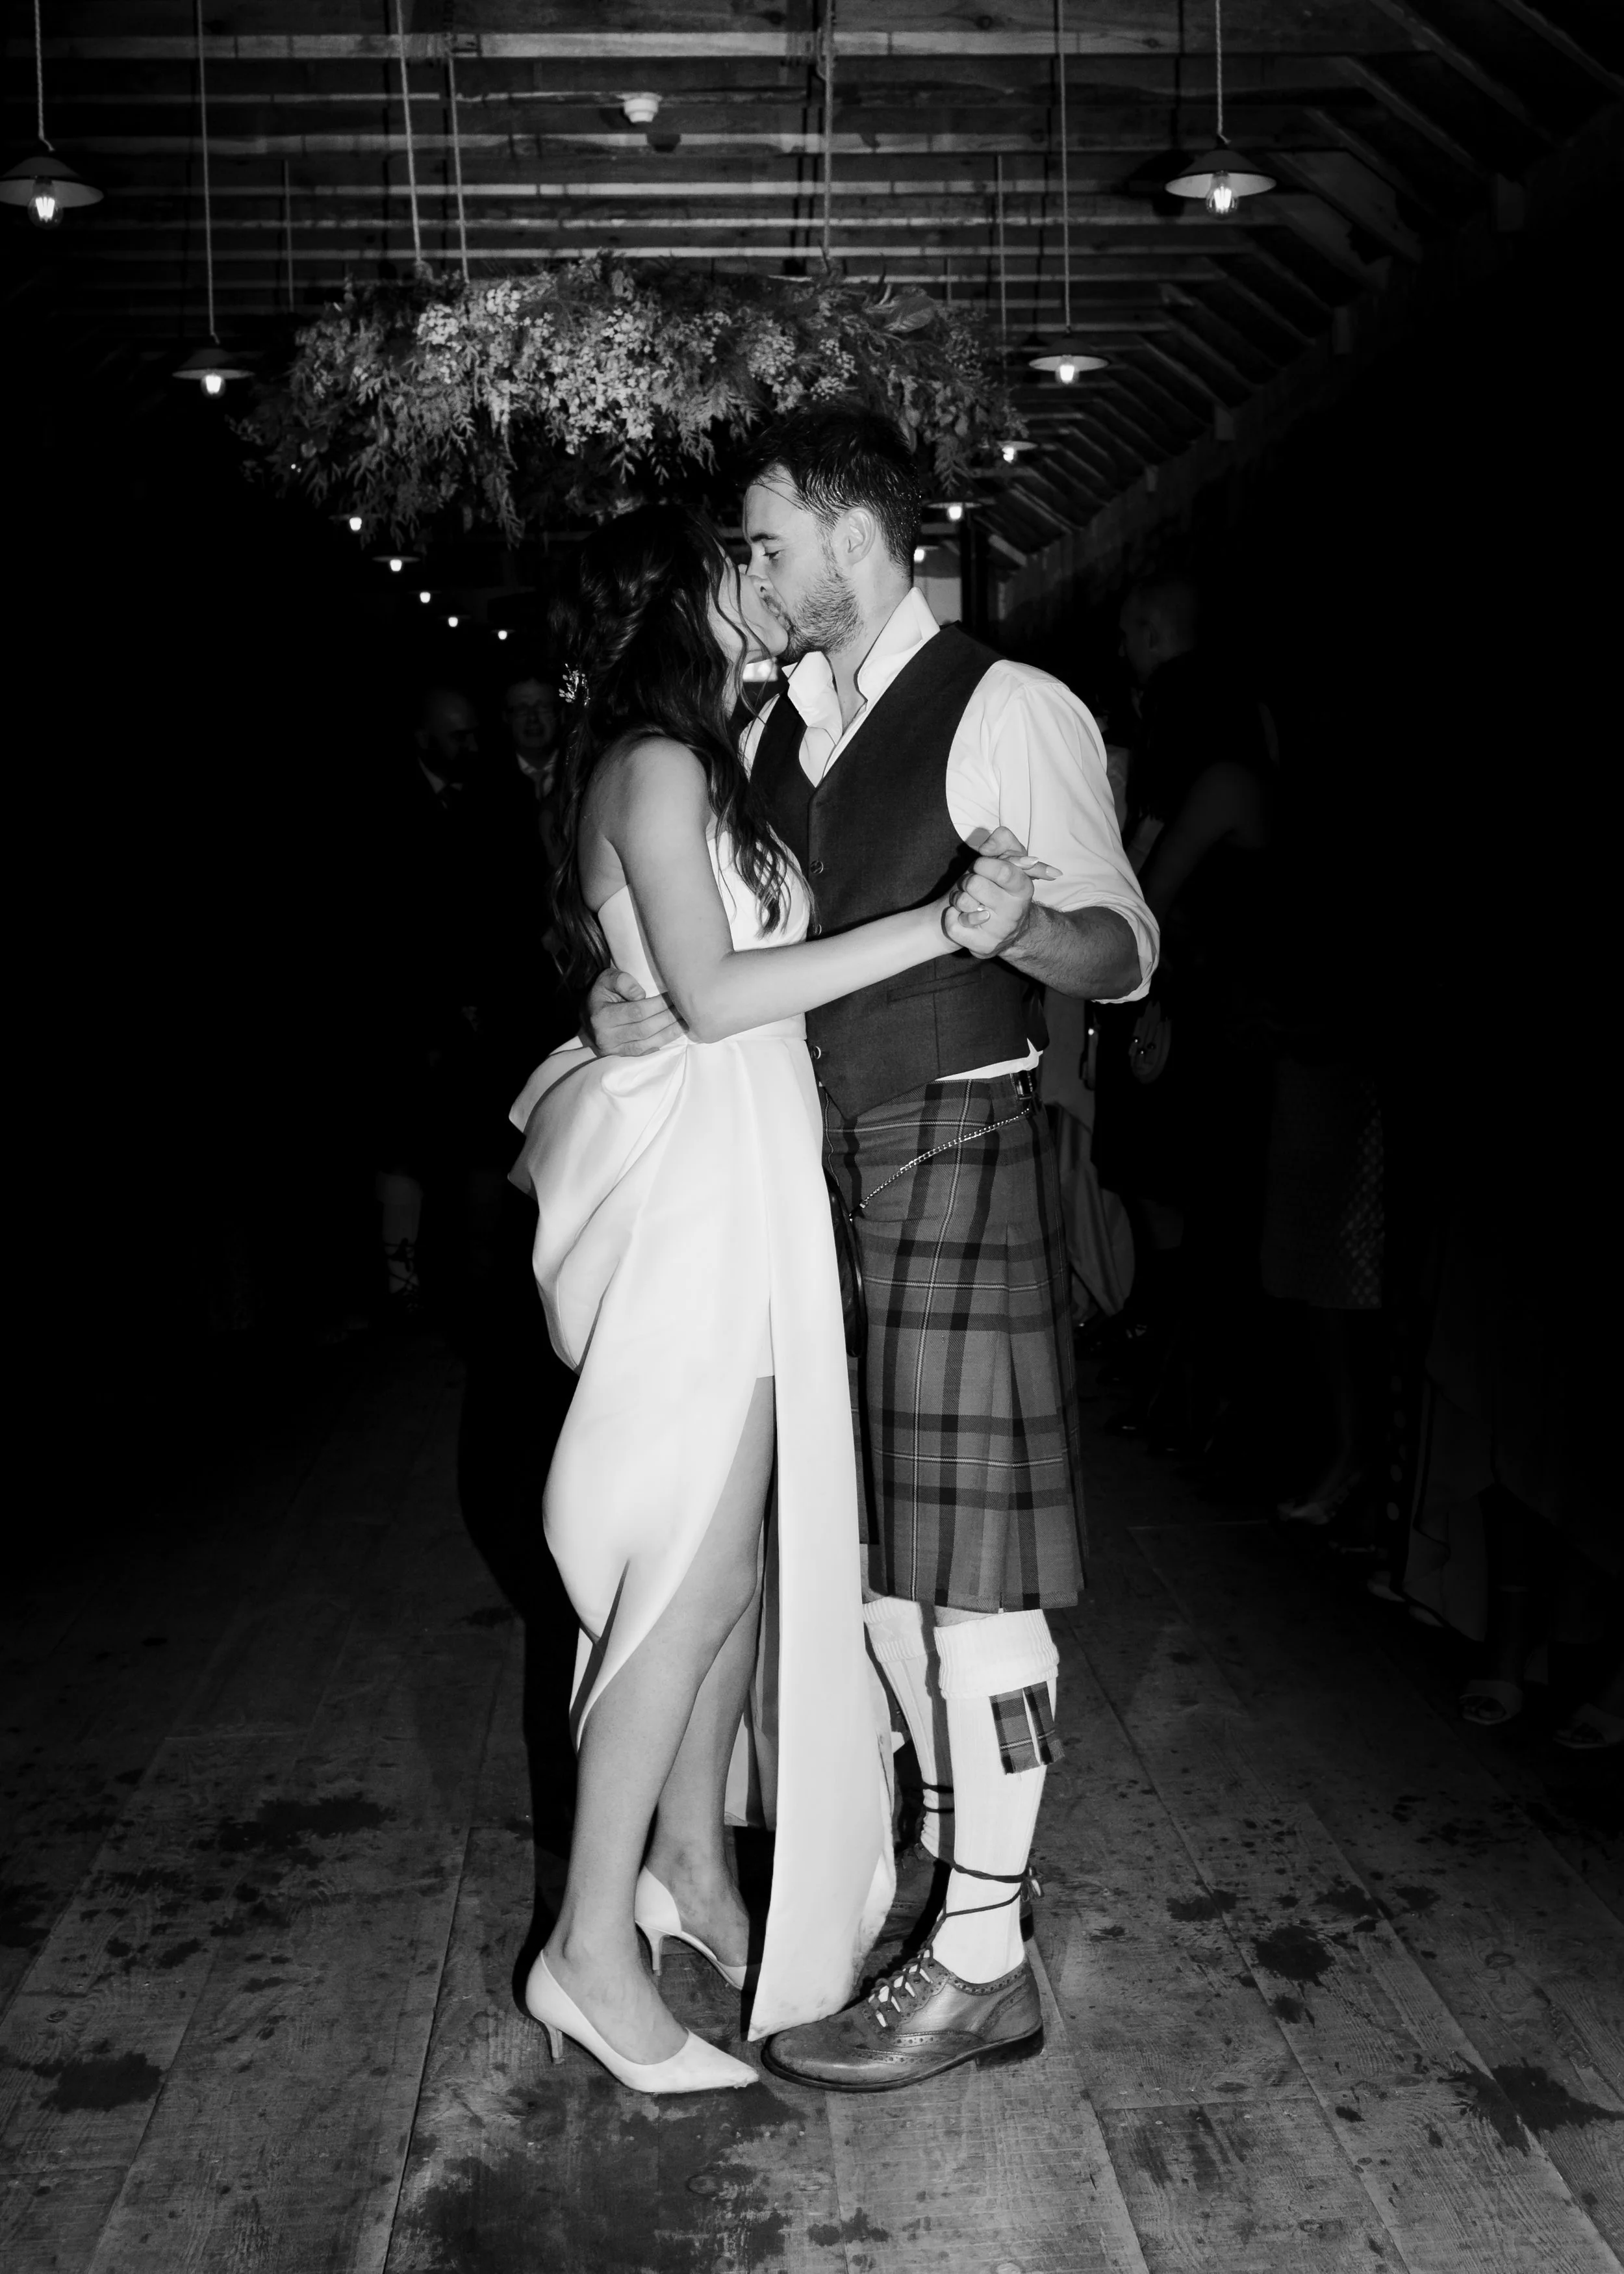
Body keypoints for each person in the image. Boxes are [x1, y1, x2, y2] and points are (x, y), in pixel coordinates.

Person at [585, 407, 1156, 2091]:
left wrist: (1023, 924)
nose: (753, 574)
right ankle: (959, 1889)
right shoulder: (768, 729)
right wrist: (623, 998)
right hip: (798, 1176)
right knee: (875, 1577)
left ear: (853, 533)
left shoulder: (1008, 704)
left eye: (769, 542)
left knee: (972, 1575)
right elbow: (715, 942)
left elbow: (1125, 947)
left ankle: (976, 1958)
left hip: (955, 1145)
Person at [507, 501, 1054, 2094]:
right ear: (669, 601)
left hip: (746, 1183)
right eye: (731, 562)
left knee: (731, 1580)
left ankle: (689, 1869)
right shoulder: (658, 766)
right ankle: (587, 1949)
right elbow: (712, 990)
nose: (757, 580)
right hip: (700, 1201)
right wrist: (929, 933)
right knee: (685, 1587)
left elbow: (664, 975)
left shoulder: (702, 761)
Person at [1092, 574, 1278, 1453]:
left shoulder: (1217, 785)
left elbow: (1149, 901)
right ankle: (1187, 1389)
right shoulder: (1233, 769)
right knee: (1186, 1209)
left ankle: (1198, 1395)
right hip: (1206, 1011)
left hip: (1210, 1018)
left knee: (1190, 1211)